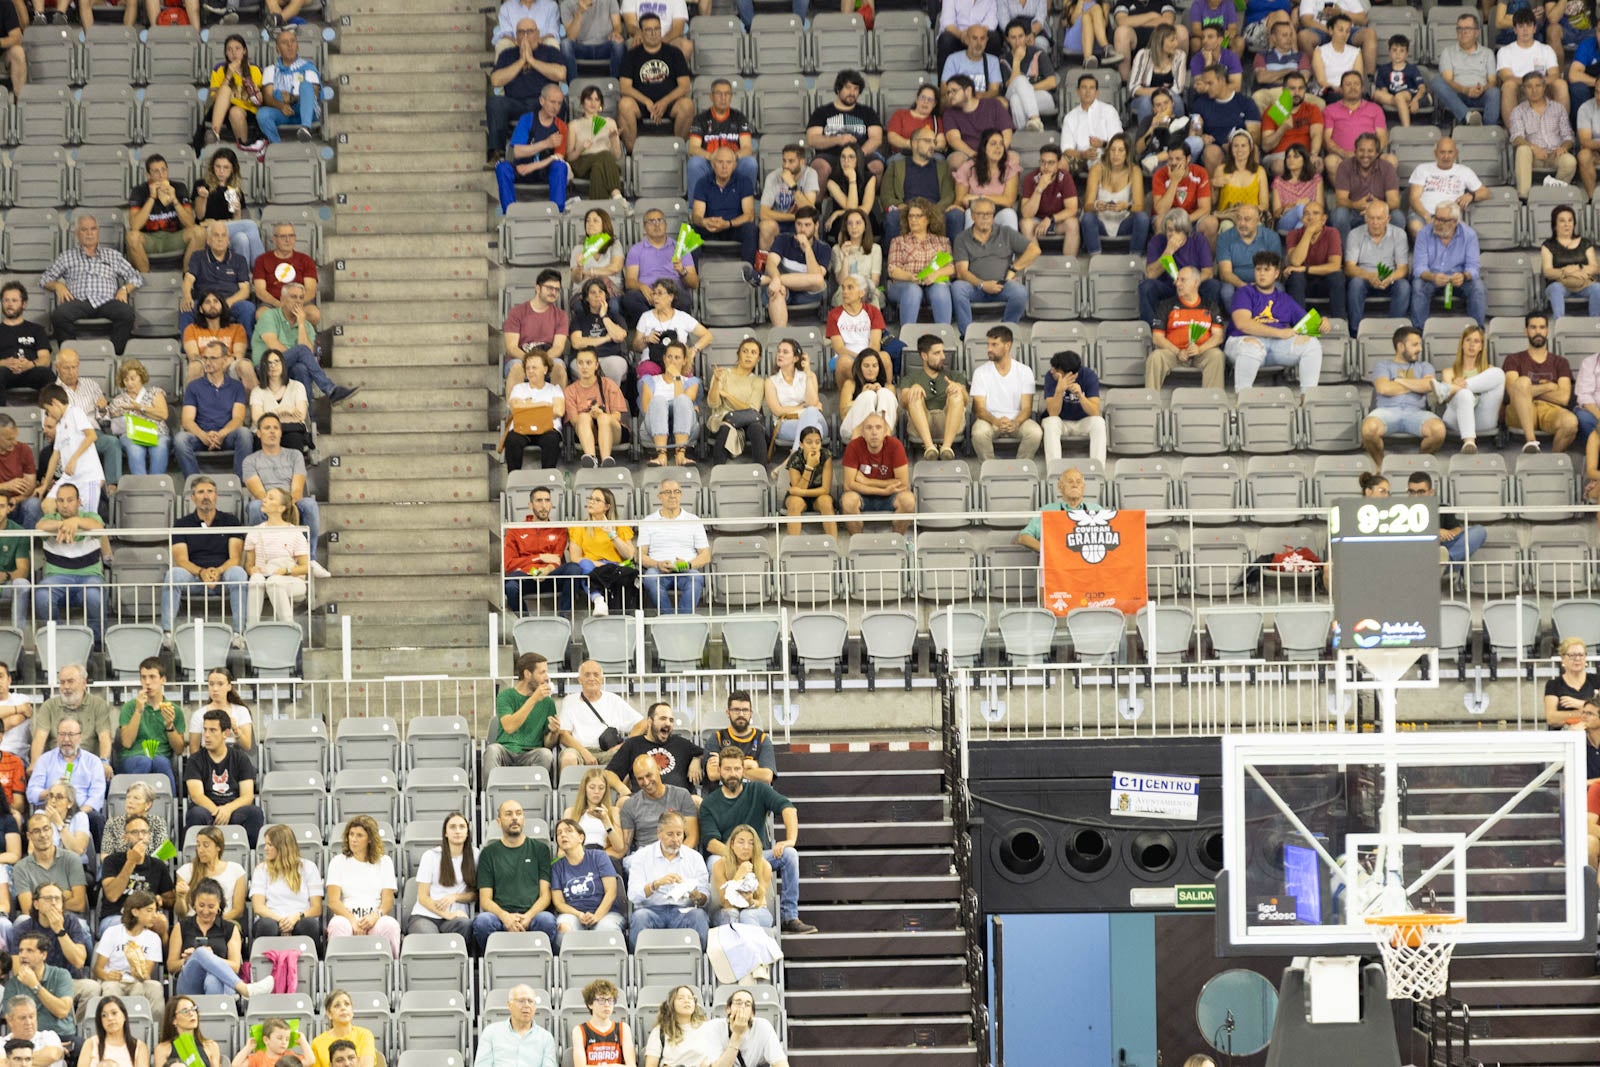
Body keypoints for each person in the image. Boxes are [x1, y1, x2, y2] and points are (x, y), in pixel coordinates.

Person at [699, 747, 816, 935]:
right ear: (719, 771)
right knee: (713, 861)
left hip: (759, 855)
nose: (732, 774)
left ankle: (789, 917)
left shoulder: (758, 790)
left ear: (743, 770)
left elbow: (788, 808)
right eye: (727, 769)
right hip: (727, 856)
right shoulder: (709, 803)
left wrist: (790, 840)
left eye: (737, 769)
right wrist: (738, 856)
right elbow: (711, 842)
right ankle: (724, 911)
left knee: (790, 855)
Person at [162, 476, 247, 643]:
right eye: (200, 492)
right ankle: (167, 634)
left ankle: (239, 634)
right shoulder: (182, 524)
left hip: (223, 576)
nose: (206, 496)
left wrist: (218, 571)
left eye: (210, 491)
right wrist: (201, 572)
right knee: (173, 575)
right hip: (194, 577)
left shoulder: (230, 521)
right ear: (193, 497)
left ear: (216, 495)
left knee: (238, 573)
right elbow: (182, 560)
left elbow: (235, 558)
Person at [41, 216, 142, 355]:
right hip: (79, 302)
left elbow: (136, 276)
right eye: (84, 229)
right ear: (77, 234)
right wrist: (58, 285)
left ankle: (113, 354)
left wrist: (124, 289)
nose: (89, 233)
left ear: (98, 232)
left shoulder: (113, 255)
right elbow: (45, 278)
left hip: (107, 301)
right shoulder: (67, 257)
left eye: (93, 229)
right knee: (59, 315)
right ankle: (70, 355)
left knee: (126, 313)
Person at [1225, 251, 1324, 393]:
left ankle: (1308, 398)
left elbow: (1310, 324)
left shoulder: (1284, 299)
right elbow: (1243, 324)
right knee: (1251, 347)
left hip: (1275, 347)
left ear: (1276, 273)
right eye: (1258, 269)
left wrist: (1322, 323)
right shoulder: (1244, 292)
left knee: (1312, 345)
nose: (1262, 274)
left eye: (1267, 269)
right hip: (1242, 341)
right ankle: (1242, 398)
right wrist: (1279, 333)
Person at [472, 799, 559, 953]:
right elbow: (485, 900)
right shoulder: (488, 853)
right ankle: (496, 960)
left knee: (547, 920)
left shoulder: (540, 850)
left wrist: (528, 916)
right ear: (499, 821)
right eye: (508, 814)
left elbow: (545, 895)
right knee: (482, 922)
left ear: (523, 819)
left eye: (518, 814)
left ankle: (537, 960)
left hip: (532, 915)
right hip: (500, 917)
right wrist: (505, 917)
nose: (514, 818)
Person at [253, 282, 358, 405]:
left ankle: (306, 414)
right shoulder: (269, 316)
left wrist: (301, 324)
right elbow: (274, 348)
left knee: (301, 369)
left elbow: (309, 354)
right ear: (282, 300)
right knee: (301, 351)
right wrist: (297, 353)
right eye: (293, 297)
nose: (298, 301)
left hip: (289, 369)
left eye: (301, 298)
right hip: (265, 367)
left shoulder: (306, 325)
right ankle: (331, 390)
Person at [31, 484, 109, 648]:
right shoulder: (50, 519)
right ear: (56, 503)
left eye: (70, 500)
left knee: (94, 595)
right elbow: (40, 526)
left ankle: (97, 643)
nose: (65, 505)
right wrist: (64, 525)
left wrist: (77, 521)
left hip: (89, 577)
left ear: (79, 502)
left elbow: (98, 526)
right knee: (42, 595)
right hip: (57, 578)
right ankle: (56, 639)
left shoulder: (91, 516)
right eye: (60, 500)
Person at [1361, 325, 1447, 467]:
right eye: (1415, 345)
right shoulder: (1383, 365)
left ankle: (1418, 465)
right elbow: (1383, 388)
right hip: (1386, 411)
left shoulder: (1425, 366)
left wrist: (1398, 381)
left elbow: (1428, 385)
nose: (1420, 349)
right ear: (1401, 346)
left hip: (1416, 412)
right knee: (1368, 429)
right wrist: (1416, 385)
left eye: (1420, 344)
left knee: (1439, 431)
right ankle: (1381, 466)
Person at [951, 198, 1039, 334]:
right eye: (980, 214)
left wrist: (1014, 268)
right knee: (957, 288)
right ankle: (967, 334)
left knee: (1020, 292)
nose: (985, 218)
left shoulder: (1005, 233)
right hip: (975, 287)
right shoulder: (962, 238)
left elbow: (1034, 250)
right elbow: (962, 272)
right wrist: (982, 284)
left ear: (993, 216)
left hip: (1001, 285)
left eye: (989, 214)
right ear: (972, 216)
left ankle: (1006, 331)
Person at [486, 20, 568, 165]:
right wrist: (521, 61)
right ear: (516, 36)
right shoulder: (507, 54)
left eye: (530, 31)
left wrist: (531, 60)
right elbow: (495, 80)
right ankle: (497, 153)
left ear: (538, 34)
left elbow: (561, 74)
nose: (525, 36)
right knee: (495, 103)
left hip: (541, 103)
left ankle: (553, 152)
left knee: (558, 103)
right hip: (515, 103)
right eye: (521, 32)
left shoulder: (550, 52)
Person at [626, 812, 710, 950]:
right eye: (670, 834)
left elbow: (705, 897)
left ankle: (699, 961)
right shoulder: (642, 856)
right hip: (651, 910)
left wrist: (698, 896)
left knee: (699, 916)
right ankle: (638, 962)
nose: (675, 839)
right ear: (659, 833)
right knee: (640, 917)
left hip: (683, 911)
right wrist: (655, 885)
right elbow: (633, 895)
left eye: (679, 834)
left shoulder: (694, 857)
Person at [182, 709, 262, 846]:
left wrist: (227, 809)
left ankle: (251, 855)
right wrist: (217, 812)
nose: (206, 735)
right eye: (205, 730)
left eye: (213, 730)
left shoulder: (240, 758)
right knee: (196, 814)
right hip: (207, 810)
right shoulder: (195, 760)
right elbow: (196, 796)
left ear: (226, 733)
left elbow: (247, 796)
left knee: (254, 812)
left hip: (233, 809)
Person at [324, 815, 400, 958]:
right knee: (337, 925)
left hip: (374, 919)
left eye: (359, 835)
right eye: (351, 834)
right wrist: (353, 921)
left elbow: (388, 901)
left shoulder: (385, 862)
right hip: (347, 918)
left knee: (391, 925)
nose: (353, 839)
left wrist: (376, 916)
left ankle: (392, 967)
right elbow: (333, 901)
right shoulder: (337, 862)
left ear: (370, 839)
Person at [177, 341, 253, 480]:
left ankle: (240, 483)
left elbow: (238, 419)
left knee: (245, 433)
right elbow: (187, 420)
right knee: (180, 439)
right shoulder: (193, 386)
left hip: (227, 435)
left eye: (213, 358)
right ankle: (195, 482)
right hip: (200, 436)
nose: (207, 362)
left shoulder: (236, 387)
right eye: (205, 358)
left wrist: (221, 434)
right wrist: (204, 436)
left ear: (225, 360)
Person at [1504, 311, 1578, 453]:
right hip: (1519, 411)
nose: (1538, 331)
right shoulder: (1513, 359)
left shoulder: (1561, 362)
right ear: (1526, 331)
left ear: (1547, 331)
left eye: (1542, 327)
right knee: (1522, 382)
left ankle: (1551, 459)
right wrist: (1549, 386)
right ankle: (1531, 442)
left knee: (1570, 423)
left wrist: (1526, 392)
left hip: (1550, 410)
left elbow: (1563, 398)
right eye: (1533, 327)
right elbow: (1513, 392)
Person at [616, 14, 693, 151]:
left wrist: (664, 102)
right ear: (641, 32)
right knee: (624, 104)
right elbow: (624, 87)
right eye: (649, 30)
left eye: (657, 29)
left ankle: (679, 150)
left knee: (687, 105)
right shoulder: (631, 55)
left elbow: (685, 86)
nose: (654, 33)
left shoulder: (675, 53)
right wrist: (647, 102)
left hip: (670, 104)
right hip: (641, 104)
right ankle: (632, 152)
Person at [636, 479, 710, 616]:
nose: (672, 496)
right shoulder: (648, 521)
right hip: (658, 570)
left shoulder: (693, 520)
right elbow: (640, 555)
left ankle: (683, 619)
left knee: (696, 577)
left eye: (676, 491)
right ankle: (668, 618)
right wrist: (657, 564)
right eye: (667, 492)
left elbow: (705, 555)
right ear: (659, 496)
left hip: (686, 570)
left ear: (681, 495)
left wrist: (687, 565)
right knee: (650, 577)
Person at [969, 326, 1041, 460]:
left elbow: (1027, 408)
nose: (989, 349)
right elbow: (979, 409)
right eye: (988, 344)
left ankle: (1021, 466)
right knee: (979, 432)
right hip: (989, 420)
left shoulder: (1025, 371)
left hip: (1017, 420)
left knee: (1035, 432)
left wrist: (1015, 422)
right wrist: (995, 421)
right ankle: (989, 467)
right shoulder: (980, 372)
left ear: (1007, 345)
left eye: (994, 345)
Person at [557, 660, 645, 770]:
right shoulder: (569, 701)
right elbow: (564, 735)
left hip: (607, 752)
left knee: (629, 755)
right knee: (568, 757)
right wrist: (584, 752)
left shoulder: (614, 700)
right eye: (587, 675)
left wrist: (624, 746)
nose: (592, 678)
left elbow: (642, 723)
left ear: (602, 679)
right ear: (580, 680)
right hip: (578, 751)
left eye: (596, 674)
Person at [1147, 267, 1226, 391]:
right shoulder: (1166, 305)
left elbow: (1218, 337)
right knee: (1156, 356)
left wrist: (1200, 349)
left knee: (1217, 355)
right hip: (1173, 353)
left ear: (1196, 282)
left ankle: (1212, 400)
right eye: (1177, 280)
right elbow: (1157, 338)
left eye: (1183, 280)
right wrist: (1177, 352)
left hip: (1202, 352)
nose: (1177, 284)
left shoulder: (1210, 306)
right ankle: (1150, 398)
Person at [497, 82, 570, 214]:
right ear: (542, 101)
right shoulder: (527, 120)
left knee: (560, 166)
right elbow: (516, 152)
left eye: (559, 103)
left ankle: (557, 213)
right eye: (552, 102)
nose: (556, 107)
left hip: (543, 171)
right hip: (521, 169)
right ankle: (510, 213)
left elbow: (558, 157)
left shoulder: (561, 127)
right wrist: (546, 143)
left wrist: (532, 166)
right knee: (502, 167)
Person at [550, 817, 623, 949]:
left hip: (605, 913)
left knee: (606, 929)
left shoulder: (599, 856)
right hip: (574, 914)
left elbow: (611, 891)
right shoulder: (557, 867)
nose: (563, 835)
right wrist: (579, 915)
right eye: (559, 833)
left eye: (568, 831)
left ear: (581, 837)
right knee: (563, 928)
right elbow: (559, 903)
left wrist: (597, 916)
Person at [805, 70, 886, 188]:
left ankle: (870, 199)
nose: (852, 93)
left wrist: (857, 155)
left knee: (877, 166)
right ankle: (816, 200)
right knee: (819, 166)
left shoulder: (868, 112)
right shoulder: (822, 112)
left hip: (861, 154)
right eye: (848, 88)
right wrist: (838, 140)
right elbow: (812, 139)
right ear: (838, 89)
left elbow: (876, 139)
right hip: (830, 156)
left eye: (856, 89)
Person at [1409, 203, 1486, 328]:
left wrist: (1463, 276)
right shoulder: (1424, 233)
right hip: (1431, 278)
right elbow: (1419, 268)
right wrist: (1433, 277)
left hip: (1458, 279)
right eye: (1436, 218)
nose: (1437, 223)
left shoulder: (1469, 235)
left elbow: (1473, 267)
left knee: (1478, 287)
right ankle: (1418, 331)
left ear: (1454, 222)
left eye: (1443, 220)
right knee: (1418, 285)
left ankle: (1477, 331)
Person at [99, 810, 175, 935]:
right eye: (134, 832)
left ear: (149, 836)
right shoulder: (112, 861)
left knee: (160, 922)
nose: (140, 837)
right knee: (129, 926)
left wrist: (161, 899)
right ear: (125, 838)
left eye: (144, 832)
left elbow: (170, 900)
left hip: (147, 917)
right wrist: (131, 862)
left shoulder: (158, 865)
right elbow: (112, 895)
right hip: (117, 917)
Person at [1138, 206, 1216, 326]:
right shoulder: (1157, 241)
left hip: (1192, 287)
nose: (1172, 234)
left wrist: (1189, 284)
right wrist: (1168, 251)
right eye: (1170, 230)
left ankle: (1206, 324)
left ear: (1186, 231)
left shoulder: (1198, 240)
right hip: (1168, 287)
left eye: (1178, 231)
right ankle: (1153, 328)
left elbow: (1208, 272)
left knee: (1213, 285)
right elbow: (1151, 274)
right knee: (1146, 287)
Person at [34, 383, 104, 516]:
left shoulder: (75, 412)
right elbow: (55, 455)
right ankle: (61, 529)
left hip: (88, 477)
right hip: (69, 477)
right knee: (47, 505)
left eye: (48, 410)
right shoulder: (60, 424)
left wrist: (73, 459)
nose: (49, 414)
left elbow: (92, 436)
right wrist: (45, 485)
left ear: (55, 403)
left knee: (89, 519)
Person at [1344, 199, 1411, 336]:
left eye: (1379, 218)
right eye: (1371, 218)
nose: (1375, 222)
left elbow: (1403, 268)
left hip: (1389, 278)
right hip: (1365, 277)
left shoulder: (1399, 234)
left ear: (1388, 219)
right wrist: (1369, 276)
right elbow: (1349, 268)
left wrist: (1389, 278)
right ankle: (1355, 331)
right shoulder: (1355, 234)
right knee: (1355, 283)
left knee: (1404, 286)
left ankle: (1394, 331)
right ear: (1365, 218)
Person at [756, 207, 831, 330]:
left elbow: (816, 276)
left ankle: (766, 280)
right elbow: (770, 263)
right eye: (799, 224)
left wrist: (807, 248)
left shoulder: (824, 248)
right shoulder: (783, 239)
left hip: (807, 293)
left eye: (807, 225)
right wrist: (776, 279)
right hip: (784, 290)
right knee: (778, 290)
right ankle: (781, 336)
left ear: (816, 225)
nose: (802, 229)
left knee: (818, 279)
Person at [116, 657, 185, 790]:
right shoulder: (129, 707)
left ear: (163, 680)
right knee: (144, 761)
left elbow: (179, 749)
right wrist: (138, 711)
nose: (147, 682)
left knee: (160, 762)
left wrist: (169, 726)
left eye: (152, 677)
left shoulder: (174, 710)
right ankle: (133, 799)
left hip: (161, 757)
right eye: (143, 677)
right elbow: (127, 743)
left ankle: (169, 801)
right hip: (132, 757)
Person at [487, 651, 560, 776]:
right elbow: (509, 727)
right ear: (527, 674)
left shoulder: (548, 703)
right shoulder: (506, 696)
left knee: (546, 754)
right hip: (506, 751)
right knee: (492, 750)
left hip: (532, 753)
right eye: (542, 672)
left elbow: (548, 744)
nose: (546, 677)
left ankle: (536, 787)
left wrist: (554, 732)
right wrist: (533, 699)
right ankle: (491, 788)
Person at [92, 891, 165, 1017]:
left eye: (155, 911)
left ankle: (156, 1027)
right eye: (149, 911)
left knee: (154, 987)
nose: (155, 915)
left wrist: (139, 972)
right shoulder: (112, 932)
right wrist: (107, 975)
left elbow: (146, 974)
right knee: (111, 988)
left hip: (138, 981)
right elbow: (97, 969)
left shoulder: (153, 938)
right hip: (113, 981)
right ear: (135, 912)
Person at [243, 488, 309, 625]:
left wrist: (286, 571)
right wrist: (252, 570)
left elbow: (305, 567)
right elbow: (249, 564)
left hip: (291, 580)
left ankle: (288, 626)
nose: (264, 500)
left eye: (270, 498)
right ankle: (251, 627)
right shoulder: (254, 532)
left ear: (281, 508)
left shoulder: (295, 533)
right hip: (264, 577)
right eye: (266, 497)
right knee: (255, 579)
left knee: (274, 582)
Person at [881, 129, 960, 243]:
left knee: (956, 215)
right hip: (907, 211)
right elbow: (886, 196)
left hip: (936, 211)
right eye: (927, 141)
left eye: (934, 142)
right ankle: (893, 254)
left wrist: (932, 210)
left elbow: (949, 195)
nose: (932, 146)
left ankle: (952, 254)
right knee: (893, 217)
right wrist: (903, 207)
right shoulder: (896, 166)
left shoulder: (943, 166)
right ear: (914, 143)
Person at [126, 154, 200, 275]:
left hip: (174, 237)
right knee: (132, 237)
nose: (161, 175)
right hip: (149, 239)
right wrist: (151, 198)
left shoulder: (179, 187)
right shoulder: (139, 191)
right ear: (148, 175)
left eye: (164, 170)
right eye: (156, 171)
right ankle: (146, 279)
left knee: (199, 232)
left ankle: (187, 277)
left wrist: (174, 199)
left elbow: (190, 223)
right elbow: (135, 226)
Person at [840, 413, 914, 534]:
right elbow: (848, 485)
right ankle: (858, 542)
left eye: (878, 427)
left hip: (890, 496)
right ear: (862, 432)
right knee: (848, 501)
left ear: (885, 432)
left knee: (908, 500)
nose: (874, 432)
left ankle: (896, 540)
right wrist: (883, 490)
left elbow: (902, 483)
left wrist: (867, 481)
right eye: (869, 428)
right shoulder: (853, 446)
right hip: (862, 495)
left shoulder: (895, 446)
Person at [898, 335, 969, 462]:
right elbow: (903, 402)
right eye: (937, 353)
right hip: (921, 424)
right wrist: (913, 389)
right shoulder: (911, 377)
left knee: (957, 393)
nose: (943, 357)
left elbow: (966, 401)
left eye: (943, 352)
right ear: (924, 356)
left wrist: (958, 388)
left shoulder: (954, 375)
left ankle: (946, 447)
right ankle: (929, 447)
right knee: (914, 395)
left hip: (949, 422)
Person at [249, 823, 324, 940]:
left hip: (300, 918)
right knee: (267, 926)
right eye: (265, 844)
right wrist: (282, 921)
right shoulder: (261, 869)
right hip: (272, 919)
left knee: (309, 925)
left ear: (282, 847)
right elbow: (258, 907)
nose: (265, 848)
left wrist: (296, 918)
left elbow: (316, 908)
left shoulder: (309, 867)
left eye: (270, 845)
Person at [192, 151, 263, 276]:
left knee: (242, 238)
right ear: (212, 167)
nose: (221, 171)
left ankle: (243, 276)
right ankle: (261, 270)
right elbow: (199, 216)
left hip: (226, 232)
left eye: (226, 167)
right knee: (251, 225)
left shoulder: (234, 189)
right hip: (208, 232)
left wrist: (237, 210)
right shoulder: (202, 185)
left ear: (232, 169)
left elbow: (236, 222)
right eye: (218, 167)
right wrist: (203, 198)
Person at [1406, 471, 1487, 581]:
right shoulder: (1401, 511)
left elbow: (1457, 529)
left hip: (1442, 550)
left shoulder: (1443, 508)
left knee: (1479, 531)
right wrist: (1435, 532)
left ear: (1431, 492)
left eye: (1421, 492)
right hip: (1418, 555)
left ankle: (1443, 562)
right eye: (1412, 492)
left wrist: (1447, 534)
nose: (1416, 497)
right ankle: (1438, 564)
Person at [617, 748, 699, 855]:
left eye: (649, 775)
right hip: (645, 855)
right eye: (640, 779)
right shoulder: (630, 805)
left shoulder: (681, 795)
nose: (646, 782)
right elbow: (625, 846)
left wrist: (673, 856)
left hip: (677, 852)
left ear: (659, 769)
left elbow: (693, 837)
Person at [622, 211, 700, 323]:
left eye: (660, 220)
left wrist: (683, 271)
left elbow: (694, 283)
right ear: (644, 227)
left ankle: (667, 329)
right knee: (630, 299)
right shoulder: (636, 250)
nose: (656, 224)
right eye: (651, 221)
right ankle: (652, 327)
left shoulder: (680, 248)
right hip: (649, 291)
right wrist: (641, 286)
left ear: (666, 225)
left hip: (672, 291)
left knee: (684, 299)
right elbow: (630, 281)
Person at [408, 812, 476, 938]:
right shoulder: (430, 856)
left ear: (467, 832)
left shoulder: (475, 855)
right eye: (452, 827)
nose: (457, 831)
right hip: (426, 915)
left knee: (465, 925)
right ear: (445, 833)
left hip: (456, 918)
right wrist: (447, 914)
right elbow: (423, 897)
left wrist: (455, 897)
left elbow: (475, 894)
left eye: (462, 827)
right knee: (431, 940)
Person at [686, 79, 758, 197]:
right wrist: (712, 157)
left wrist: (731, 158)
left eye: (727, 94)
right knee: (694, 163)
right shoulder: (700, 119)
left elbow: (747, 148)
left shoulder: (739, 117)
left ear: (731, 96)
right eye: (719, 93)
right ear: (711, 96)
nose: (723, 97)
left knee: (750, 163)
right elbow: (693, 148)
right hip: (710, 163)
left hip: (732, 163)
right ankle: (695, 206)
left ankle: (746, 202)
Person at [1079, 133, 1149, 254]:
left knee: (1142, 218)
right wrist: (1096, 205)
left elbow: (1140, 207)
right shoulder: (1097, 169)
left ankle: (1135, 257)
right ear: (1108, 152)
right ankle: (1095, 257)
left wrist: (1127, 206)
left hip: (1123, 223)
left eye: (1120, 150)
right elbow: (1087, 206)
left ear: (1127, 153)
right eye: (1113, 150)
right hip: (1101, 223)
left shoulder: (1134, 171)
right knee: (1088, 217)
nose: (1116, 154)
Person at [1510, 71, 1577, 195]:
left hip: (1554, 154)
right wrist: (1533, 148)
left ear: (1544, 87)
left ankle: (1553, 194)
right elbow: (1516, 137)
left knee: (1570, 161)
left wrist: (1563, 147)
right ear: (1523, 89)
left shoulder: (1558, 108)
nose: (1534, 90)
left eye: (1538, 86)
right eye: (1529, 86)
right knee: (1522, 149)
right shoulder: (1518, 111)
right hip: (1533, 156)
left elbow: (1568, 136)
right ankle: (1524, 197)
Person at [1, 932, 74, 1047]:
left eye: (29, 951)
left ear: (43, 955)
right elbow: (10, 1018)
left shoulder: (61, 975)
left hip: (62, 1036)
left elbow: (62, 1011)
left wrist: (34, 985)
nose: (23, 955)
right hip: (26, 1039)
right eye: (21, 951)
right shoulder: (13, 984)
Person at [1498, 7, 1566, 128]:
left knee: (1561, 84)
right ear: (1515, 29)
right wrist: (1529, 84)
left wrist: (1537, 84)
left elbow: (1555, 74)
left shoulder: (1546, 49)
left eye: (1529, 25)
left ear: (1534, 28)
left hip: (1543, 89)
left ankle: (1561, 129)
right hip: (1519, 89)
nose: (1525, 30)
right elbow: (1506, 76)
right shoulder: (1505, 51)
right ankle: (1514, 133)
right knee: (1508, 86)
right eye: (1521, 26)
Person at [1431, 12, 1502, 126]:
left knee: (1494, 92)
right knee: (1437, 82)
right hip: (1458, 95)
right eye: (1459, 28)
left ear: (1477, 32)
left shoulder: (1487, 53)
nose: (1463, 32)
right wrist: (1466, 90)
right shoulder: (1448, 52)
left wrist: (1482, 89)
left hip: (1481, 94)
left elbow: (1492, 81)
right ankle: (1467, 117)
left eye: (1467, 28)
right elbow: (1448, 80)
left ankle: (1488, 129)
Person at [1408, 137, 1489, 238]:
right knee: (1416, 227)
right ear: (1435, 153)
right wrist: (1426, 216)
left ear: (1456, 153)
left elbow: (1485, 192)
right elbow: (1414, 198)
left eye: (1450, 152)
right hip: (1423, 214)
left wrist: (1471, 195)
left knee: (1465, 234)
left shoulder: (1464, 171)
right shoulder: (1422, 169)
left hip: (1450, 217)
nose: (1446, 156)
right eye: (1442, 152)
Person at [1282, 199, 1347, 323]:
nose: (1310, 217)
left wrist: (1305, 268)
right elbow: (1295, 262)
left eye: (1315, 213)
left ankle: (1339, 323)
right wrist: (1308, 232)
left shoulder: (1332, 233)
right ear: (1302, 219)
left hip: (1325, 282)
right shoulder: (1293, 234)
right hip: (1303, 283)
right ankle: (1300, 325)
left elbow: (1335, 265)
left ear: (1324, 219)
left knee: (1337, 276)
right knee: (1295, 275)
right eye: (1306, 214)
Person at [502, 272, 570, 389]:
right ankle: (514, 402)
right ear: (538, 288)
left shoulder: (561, 316)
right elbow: (511, 347)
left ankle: (558, 401)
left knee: (559, 367)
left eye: (557, 290)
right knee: (516, 368)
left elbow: (558, 347)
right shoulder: (517, 312)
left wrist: (540, 362)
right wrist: (531, 362)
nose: (553, 292)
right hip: (520, 359)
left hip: (548, 359)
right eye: (549, 288)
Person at [632, 281, 711, 382]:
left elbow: (707, 335)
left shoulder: (682, 317)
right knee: (647, 374)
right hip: (652, 362)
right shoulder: (646, 317)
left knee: (693, 382)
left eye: (660, 293)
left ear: (671, 297)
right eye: (654, 293)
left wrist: (693, 350)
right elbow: (635, 346)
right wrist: (646, 340)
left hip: (677, 362)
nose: (655, 297)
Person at [691, 147, 758, 266]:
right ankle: (691, 274)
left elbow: (749, 215)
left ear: (734, 165)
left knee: (751, 229)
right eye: (720, 162)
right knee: (689, 230)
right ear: (713, 164)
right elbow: (696, 216)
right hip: (710, 227)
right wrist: (704, 222)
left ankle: (749, 272)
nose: (724, 166)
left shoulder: (744, 181)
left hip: (733, 227)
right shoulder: (702, 183)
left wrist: (728, 224)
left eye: (728, 162)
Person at [502, 348, 565, 473]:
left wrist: (528, 405)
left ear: (545, 369)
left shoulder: (554, 389)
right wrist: (545, 405)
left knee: (552, 439)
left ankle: (547, 478)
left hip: (547, 429)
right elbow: (515, 408)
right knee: (513, 439)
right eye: (528, 368)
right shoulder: (518, 388)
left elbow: (558, 411)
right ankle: (514, 477)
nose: (530, 371)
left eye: (534, 368)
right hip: (522, 428)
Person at [639, 344, 701, 470]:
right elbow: (645, 410)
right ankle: (661, 455)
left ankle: (681, 454)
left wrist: (677, 378)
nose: (672, 361)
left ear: (684, 361)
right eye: (669, 357)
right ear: (664, 359)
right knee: (658, 400)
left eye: (677, 358)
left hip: (686, 429)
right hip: (654, 428)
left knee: (683, 399)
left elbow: (681, 403)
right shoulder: (650, 380)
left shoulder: (691, 382)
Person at [1331, 132, 1403, 240]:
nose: (1365, 155)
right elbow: (1340, 200)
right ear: (1355, 152)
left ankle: (1389, 249)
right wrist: (1355, 205)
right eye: (1361, 150)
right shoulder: (1345, 166)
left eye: (1370, 151)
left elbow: (1394, 202)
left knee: (1398, 216)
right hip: (1354, 212)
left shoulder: (1387, 168)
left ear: (1377, 153)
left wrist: (1375, 206)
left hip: (1379, 213)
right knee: (1340, 214)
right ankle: (1346, 250)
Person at [106, 359, 170, 478]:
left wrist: (139, 408)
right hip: (131, 435)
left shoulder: (154, 392)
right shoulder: (118, 400)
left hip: (157, 433)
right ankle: (141, 484)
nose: (129, 383)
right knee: (135, 450)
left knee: (160, 446)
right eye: (126, 380)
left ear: (141, 377)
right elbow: (115, 424)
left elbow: (163, 415)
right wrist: (151, 413)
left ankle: (155, 484)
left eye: (133, 378)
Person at [1322, 71, 1388, 183]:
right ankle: (1345, 193)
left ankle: (1372, 190)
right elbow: (1326, 139)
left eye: (1356, 84)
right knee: (1330, 161)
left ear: (1362, 88)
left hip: (1371, 157)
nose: (1352, 87)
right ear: (1341, 89)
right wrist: (1344, 153)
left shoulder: (1375, 109)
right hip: (1342, 157)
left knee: (1391, 160)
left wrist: (1370, 155)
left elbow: (1382, 137)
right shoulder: (1330, 110)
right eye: (1348, 84)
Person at [253, 222, 321, 329]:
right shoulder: (262, 260)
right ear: (274, 239)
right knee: (262, 315)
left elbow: (310, 290)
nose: (288, 240)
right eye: (283, 236)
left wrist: (295, 304)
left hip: (300, 303)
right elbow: (260, 290)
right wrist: (279, 304)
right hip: (272, 304)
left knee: (314, 314)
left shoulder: (306, 260)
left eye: (291, 236)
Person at [765, 339, 828, 455]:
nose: (780, 354)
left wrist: (808, 373)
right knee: (814, 427)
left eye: (785, 352)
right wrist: (802, 407)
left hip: (813, 418)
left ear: (795, 358)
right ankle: (801, 457)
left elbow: (812, 402)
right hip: (786, 423)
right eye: (779, 351)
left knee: (811, 413)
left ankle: (794, 454)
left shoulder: (809, 376)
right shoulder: (771, 382)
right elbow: (777, 410)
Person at [174, 825, 246, 923]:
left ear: (218, 847)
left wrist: (213, 922)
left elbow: (238, 910)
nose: (200, 850)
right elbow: (181, 913)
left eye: (206, 845)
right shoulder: (185, 871)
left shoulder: (236, 870)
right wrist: (181, 897)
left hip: (224, 923)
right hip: (193, 924)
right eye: (198, 845)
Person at [205, 33, 265, 151]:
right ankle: (215, 134)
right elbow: (214, 99)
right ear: (226, 53)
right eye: (229, 49)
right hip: (222, 112)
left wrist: (257, 93)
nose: (233, 53)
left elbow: (261, 100)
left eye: (237, 48)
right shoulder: (219, 69)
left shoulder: (255, 70)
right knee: (226, 90)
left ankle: (244, 146)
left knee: (236, 112)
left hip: (249, 110)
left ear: (244, 51)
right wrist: (228, 75)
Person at [258, 29, 320, 144]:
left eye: (293, 41)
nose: (290, 45)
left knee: (306, 85)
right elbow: (267, 97)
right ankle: (276, 145)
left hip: (305, 112)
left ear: (297, 46)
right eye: (284, 42)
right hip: (282, 111)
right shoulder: (270, 70)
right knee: (262, 114)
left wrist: (292, 98)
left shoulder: (308, 67)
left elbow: (314, 94)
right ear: (278, 49)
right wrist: (281, 105)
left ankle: (305, 128)